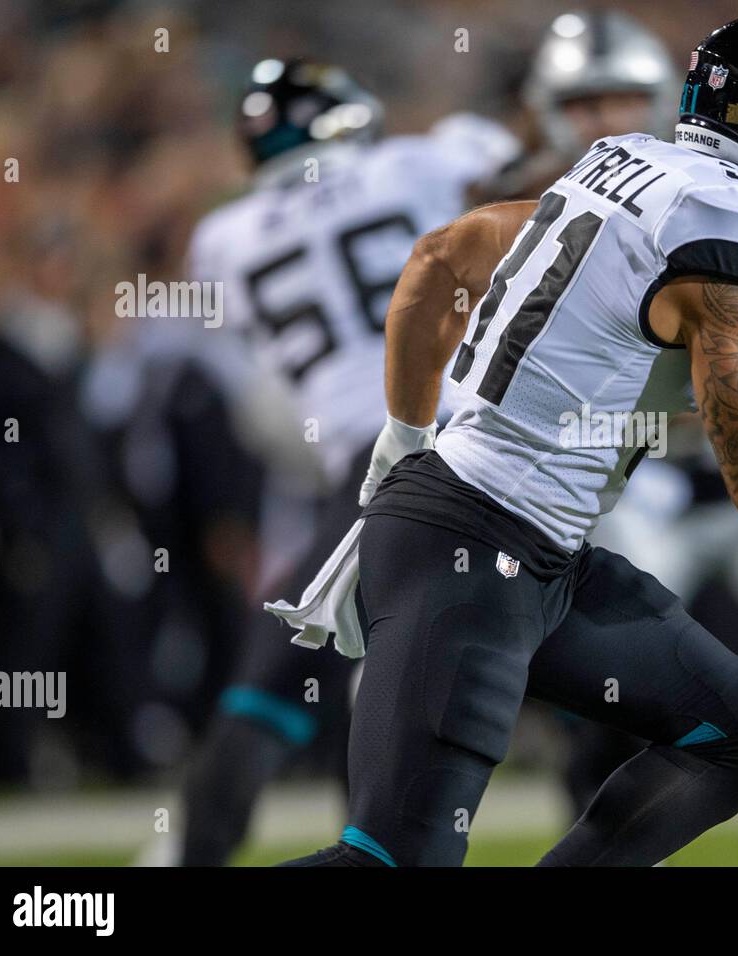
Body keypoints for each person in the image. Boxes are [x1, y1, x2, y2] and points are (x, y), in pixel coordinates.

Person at [281, 13, 738, 867]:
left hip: (533, 548)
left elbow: (438, 258)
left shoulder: (627, 163)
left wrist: (404, 433)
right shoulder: (731, 224)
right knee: (394, 862)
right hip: (473, 546)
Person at [173, 58, 518, 865]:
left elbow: (249, 373)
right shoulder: (424, 161)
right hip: (467, 445)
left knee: (276, 694)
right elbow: (530, 175)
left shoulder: (219, 240)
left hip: (368, 462)